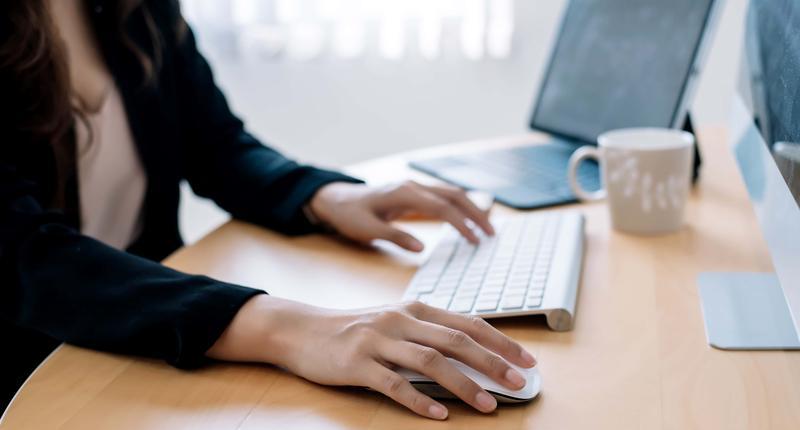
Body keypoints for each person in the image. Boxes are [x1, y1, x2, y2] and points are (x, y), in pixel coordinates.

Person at [0, 0, 537, 419]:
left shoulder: (136, 8)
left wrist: (325, 197)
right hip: (34, 368)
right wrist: (290, 328)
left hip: (137, 335)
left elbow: (216, 146)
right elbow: (23, 259)